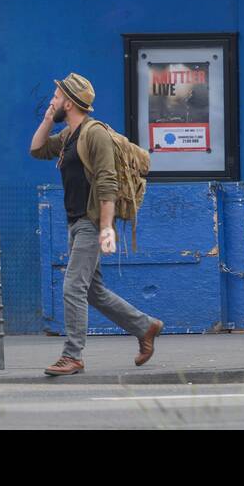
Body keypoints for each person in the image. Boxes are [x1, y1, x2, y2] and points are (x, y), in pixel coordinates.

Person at [30, 73, 163, 375]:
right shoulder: (68, 137)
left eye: (57, 96)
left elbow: (107, 182)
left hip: (91, 223)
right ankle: (146, 327)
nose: (53, 99)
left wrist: (106, 227)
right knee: (93, 290)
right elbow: (37, 149)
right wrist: (50, 118)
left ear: (71, 102)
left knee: (72, 286)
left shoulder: (95, 134)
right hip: (76, 222)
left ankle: (72, 355)